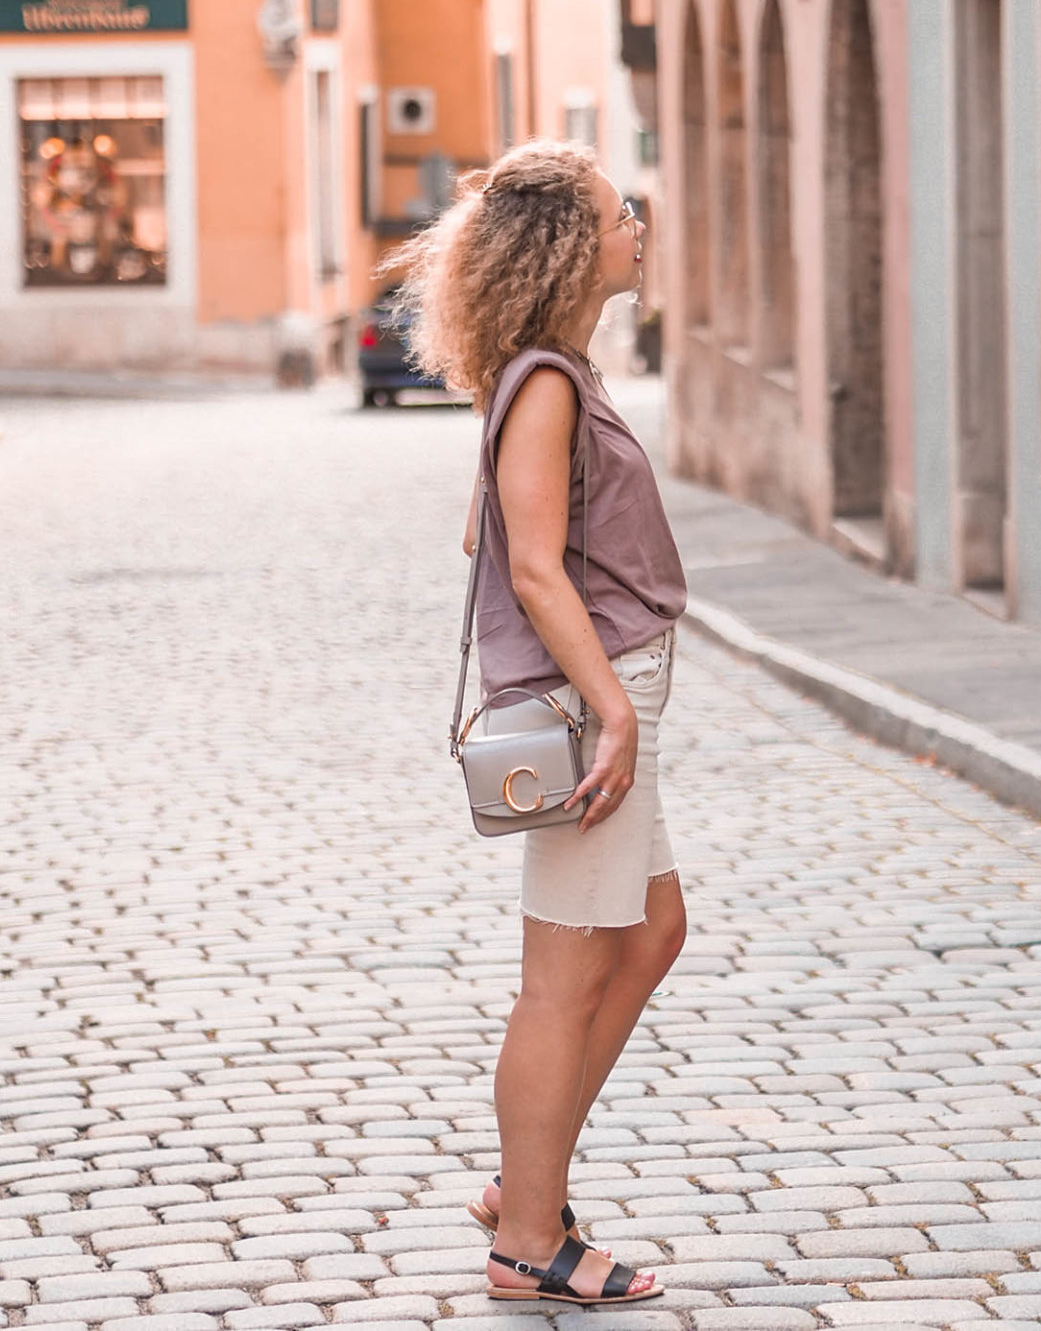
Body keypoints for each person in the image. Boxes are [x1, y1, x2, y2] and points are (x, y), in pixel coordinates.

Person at [387, 140, 687, 1307]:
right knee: (560, 977)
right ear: (569, 246)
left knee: (651, 933)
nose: (637, 229)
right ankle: (528, 1238)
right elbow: (529, 563)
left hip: (604, 689)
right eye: (621, 215)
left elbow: (490, 538)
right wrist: (611, 708)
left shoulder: (549, 373)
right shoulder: (548, 383)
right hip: (586, 701)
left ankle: (525, 1181)